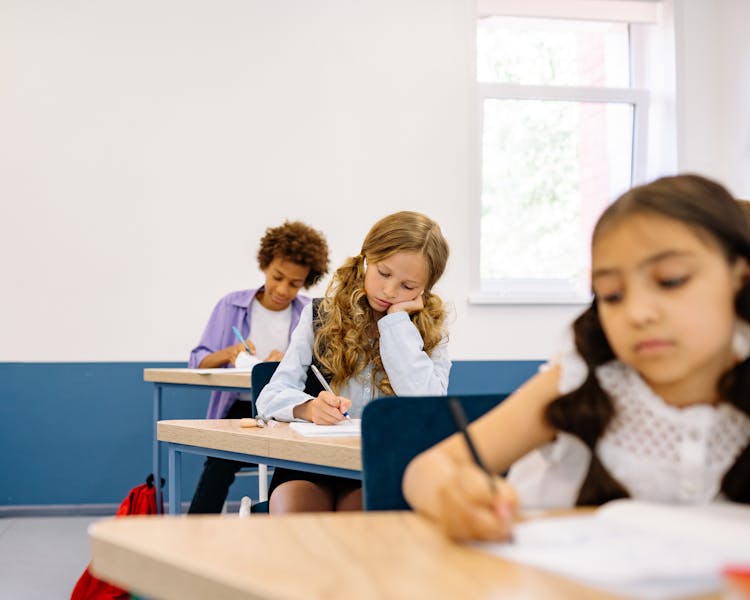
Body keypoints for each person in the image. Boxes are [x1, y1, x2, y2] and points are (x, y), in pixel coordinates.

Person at [403, 174, 750, 541]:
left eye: (671, 281)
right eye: (612, 295)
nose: (637, 313)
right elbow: (427, 469)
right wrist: (451, 495)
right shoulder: (582, 382)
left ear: (740, 277)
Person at [256, 210, 451, 513]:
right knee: (296, 512)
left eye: (408, 286)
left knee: (359, 515)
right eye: (384, 274)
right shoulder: (320, 314)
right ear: (365, 260)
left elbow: (428, 407)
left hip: (382, 464)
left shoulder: (432, 331)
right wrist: (308, 408)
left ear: (425, 289)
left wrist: (396, 324)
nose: (390, 291)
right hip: (312, 461)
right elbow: (270, 395)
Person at [187, 221, 330, 514]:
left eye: (294, 283)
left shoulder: (310, 313)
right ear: (265, 265)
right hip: (238, 410)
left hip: (289, 412)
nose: (282, 289)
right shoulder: (232, 306)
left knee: (301, 467)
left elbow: (314, 372)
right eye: (277, 277)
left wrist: (286, 362)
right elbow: (197, 360)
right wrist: (230, 352)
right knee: (219, 461)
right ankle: (196, 531)